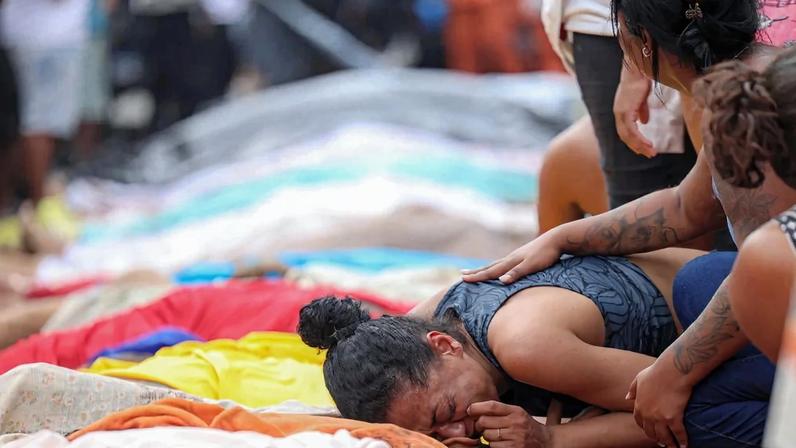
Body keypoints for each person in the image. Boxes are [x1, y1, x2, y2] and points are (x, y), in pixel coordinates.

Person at [463, 2, 796, 443]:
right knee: (698, 281)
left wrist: (674, 372)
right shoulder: (742, 85)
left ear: (640, 44)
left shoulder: (753, 115)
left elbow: (774, 263)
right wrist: (565, 237)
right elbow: (687, 206)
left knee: (690, 409)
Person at [299, 248, 705, 447]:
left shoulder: (526, 346)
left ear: (444, 346)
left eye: (449, 413)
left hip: (746, 327)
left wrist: (553, 439)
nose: (460, 432)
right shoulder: (412, 331)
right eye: (437, 436)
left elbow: (691, 410)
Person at [0, 0, 90, 204]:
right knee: (37, 125)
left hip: (38, 37)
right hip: (46, 40)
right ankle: (37, 201)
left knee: (29, 124)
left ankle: (23, 201)